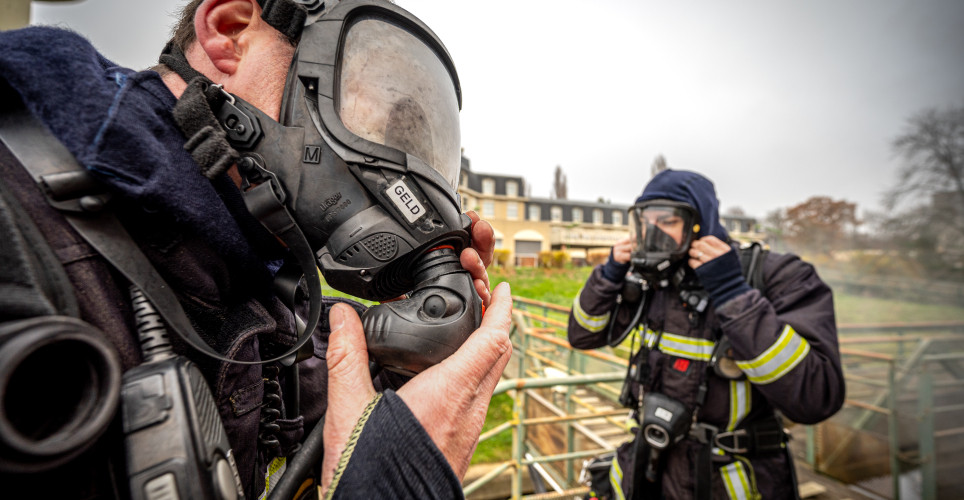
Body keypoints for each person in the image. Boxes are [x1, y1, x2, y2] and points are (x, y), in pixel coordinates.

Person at [0, 0, 512, 498]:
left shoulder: (255, 284)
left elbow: (319, 371)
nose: (389, 153)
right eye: (369, 104)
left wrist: (410, 353)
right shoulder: (16, 208)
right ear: (230, 32)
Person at [568, 169, 844, 500]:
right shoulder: (653, 280)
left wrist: (732, 294)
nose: (652, 232)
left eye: (667, 221)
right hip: (647, 469)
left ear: (701, 224)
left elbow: (816, 397)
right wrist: (608, 275)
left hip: (729, 480)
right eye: (645, 221)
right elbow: (582, 335)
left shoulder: (776, 276)